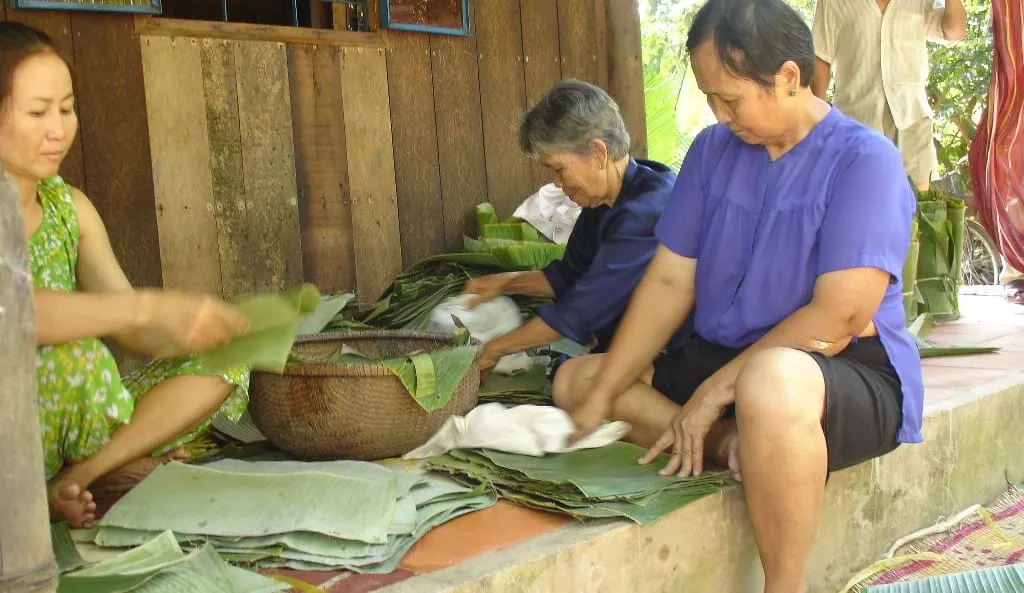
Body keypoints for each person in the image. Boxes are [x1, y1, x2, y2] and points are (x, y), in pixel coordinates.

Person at [553, 0, 924, 591]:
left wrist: (710, 395)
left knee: (770, 383)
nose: (721, 116)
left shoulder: (865, 160)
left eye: (732, 98)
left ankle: (784, 584)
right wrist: (606, 389)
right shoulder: (711, 151)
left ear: (789, 77)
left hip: (837, 371)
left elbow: (840, 315)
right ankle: (735, 444)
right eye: (710, 99)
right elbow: (671, 280)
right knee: (577, 381)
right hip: (722, 357)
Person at [0, 22, 251, 529]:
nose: (58, 129)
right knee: (76, 357)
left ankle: (76, 476)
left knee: (230, 361)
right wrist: (144, 307)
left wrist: (189, 327)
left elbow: (127, 323)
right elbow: (17, 310)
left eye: (66, 110)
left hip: (69, 423)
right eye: (36, 112)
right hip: (13, 425)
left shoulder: (70, 208)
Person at [462, 80, 682, 375]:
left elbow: (580, 310)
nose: (556, 182)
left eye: (558, 168)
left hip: (674, 353)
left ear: (598, 153)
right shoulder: (602, 202)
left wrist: (495, 349)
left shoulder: (647, 212)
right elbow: (568, 278)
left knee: (568, 380)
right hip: (627, 352)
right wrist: (505, 281)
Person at [810, 0, 966, 191]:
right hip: (856, 131)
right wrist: (817, 129)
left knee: (921, 212)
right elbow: (820, 57)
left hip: (913, 130)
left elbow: (954, 32)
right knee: (861, 210)